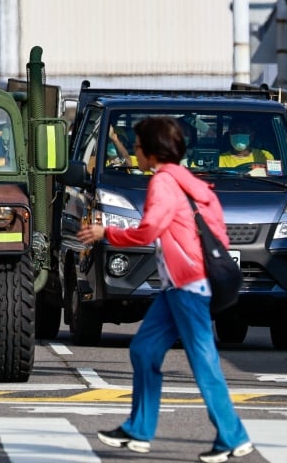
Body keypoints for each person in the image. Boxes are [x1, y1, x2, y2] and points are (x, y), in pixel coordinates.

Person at [76, 117, 254, 463]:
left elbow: (148, 231)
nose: (135, 154)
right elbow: (217, 224)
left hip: (186, 285)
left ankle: (234, 435)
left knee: (204, 364)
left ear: (152, 151)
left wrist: (107, 234)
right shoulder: (189, 181)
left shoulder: (162, 183)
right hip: (179, 285)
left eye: (138, 147)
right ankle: (139, 431)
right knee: (143, 350)